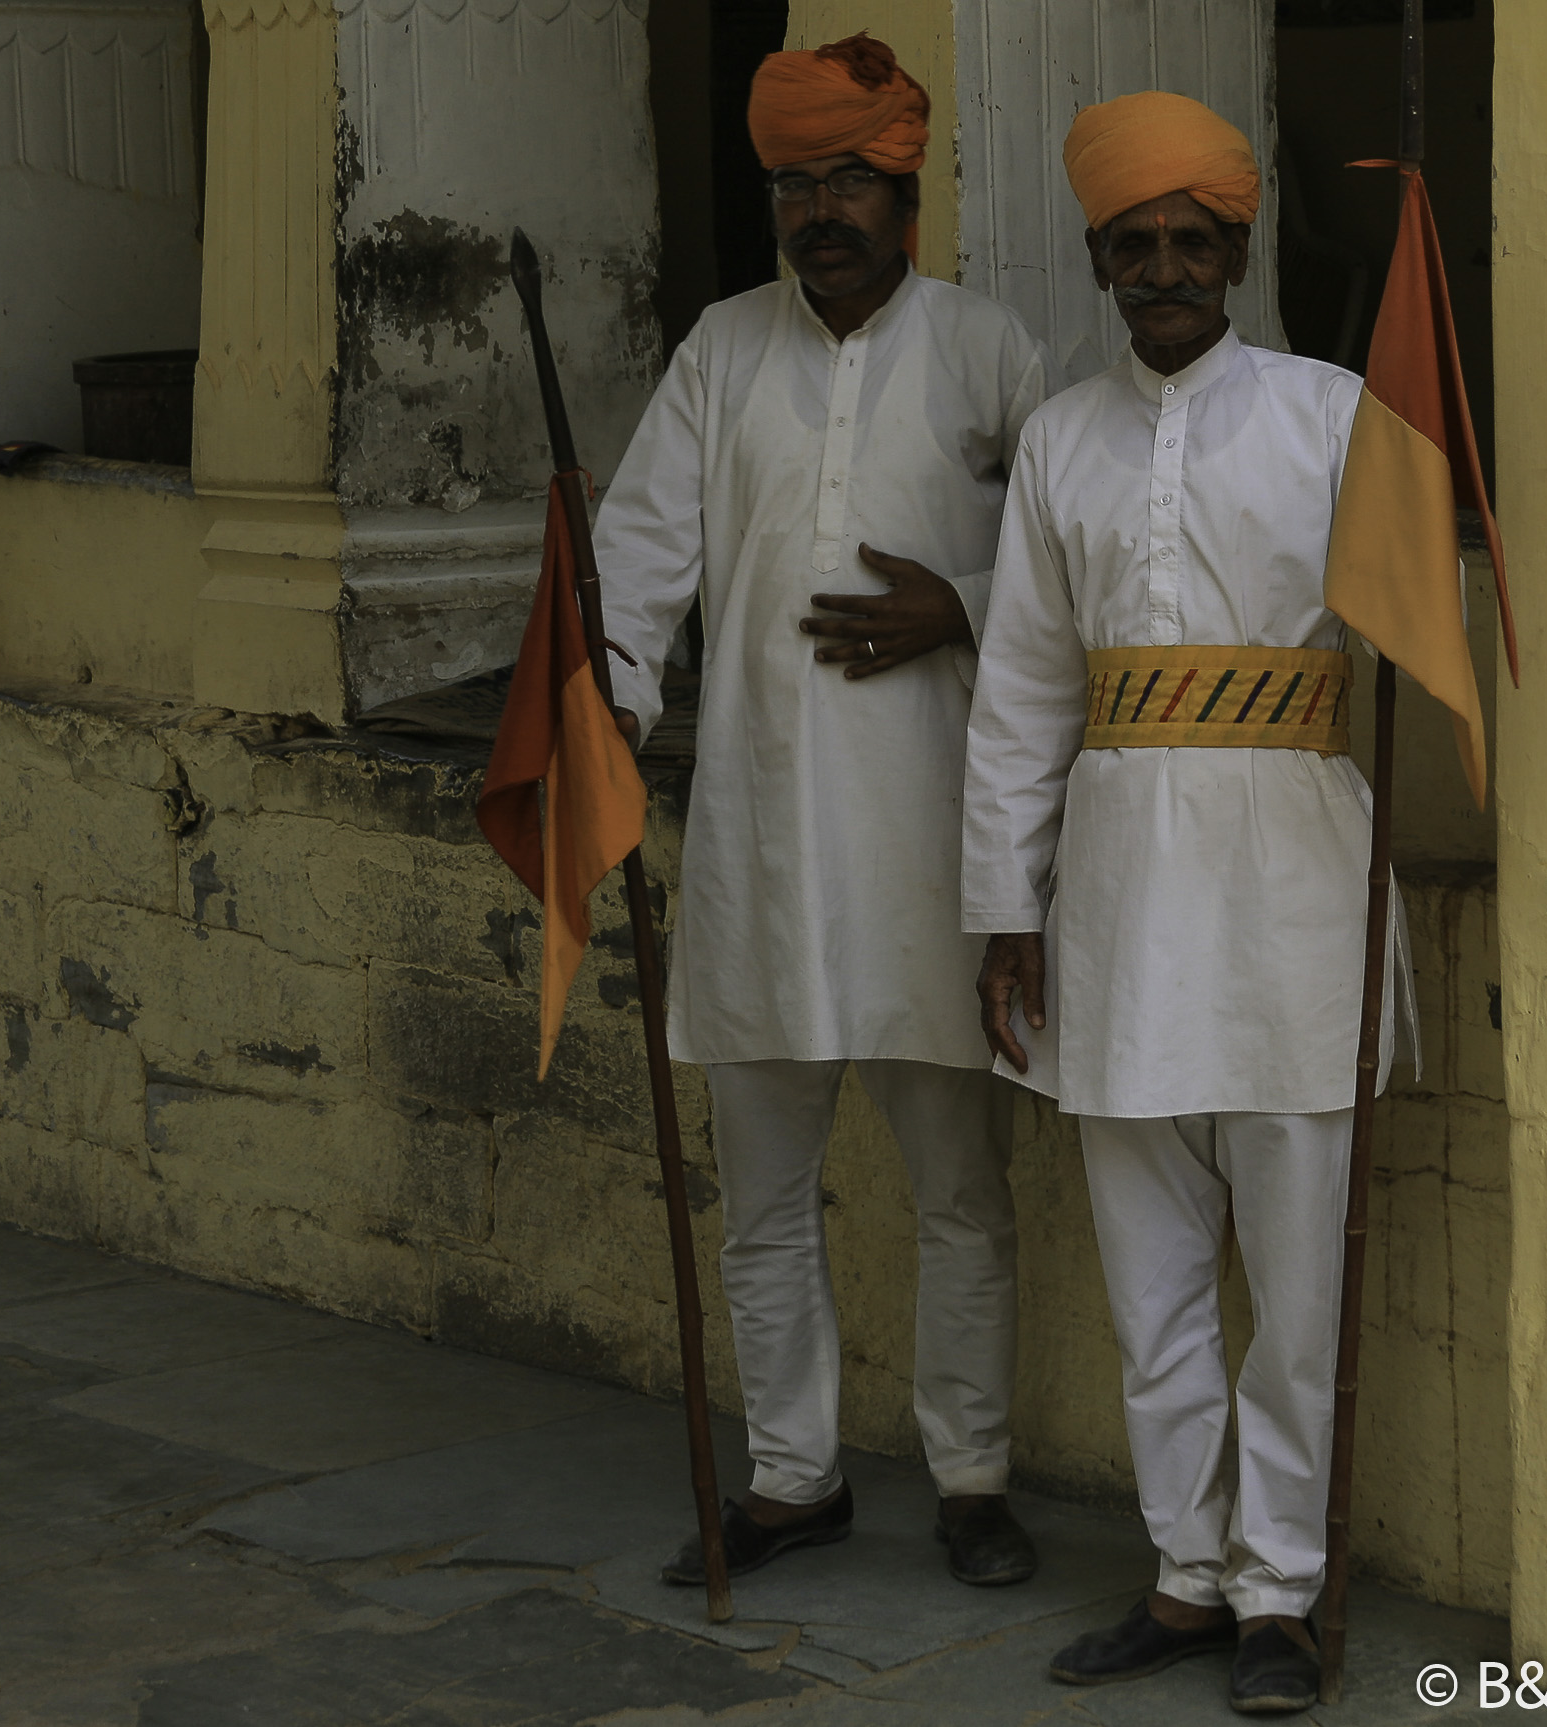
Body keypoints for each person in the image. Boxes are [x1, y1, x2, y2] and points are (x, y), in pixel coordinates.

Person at [961, 91, 1412, 1711]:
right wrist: (1003, 908)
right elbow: (1019, 686)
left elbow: (1422, 611)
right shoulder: (1064, 443)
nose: (1165, 265)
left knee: (1296, 1281)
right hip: (1115, 904)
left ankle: (1283, 1591)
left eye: (1192, 240)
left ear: (1238, 249)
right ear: (1097, 256)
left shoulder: (1337, 413)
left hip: (1296, 889)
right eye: (1134, 242)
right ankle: (1187, 1575)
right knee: (1151, 1272)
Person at [592, 33, 1058, 1590]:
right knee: (764, 1199)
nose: (820, 209)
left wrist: (967, 603)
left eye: (848, 177)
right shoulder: (721, 352)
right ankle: (792, 1478)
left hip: (941, 856)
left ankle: (973, 1477)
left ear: (906, 189)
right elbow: (639, 556)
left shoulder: (992, 350)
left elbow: (1074, 573)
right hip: (763, 854)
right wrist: (605, 703)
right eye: (795, 184)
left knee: (963, 1199)